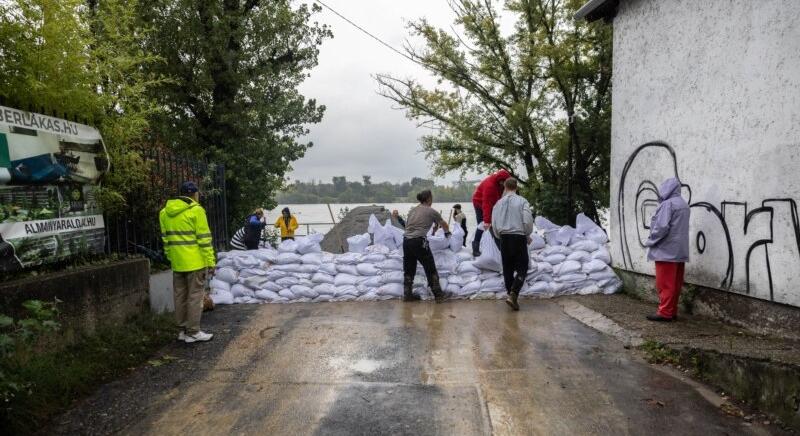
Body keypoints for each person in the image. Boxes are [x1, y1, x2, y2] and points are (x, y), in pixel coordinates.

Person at [159, 181, 215, 343]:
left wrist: (171, 257)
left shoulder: (164, 213)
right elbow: (204, 239)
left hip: (177, 262)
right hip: (195, 263)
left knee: (180, 296)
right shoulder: (197, 211)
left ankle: (182, 331)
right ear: (195, 194)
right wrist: (210, 261)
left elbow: (166, 240)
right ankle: (193, 331)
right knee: (195, 297)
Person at [643, 177, 690, 322]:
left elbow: (661, 227)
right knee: (675, 283)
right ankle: (671, 310)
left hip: (666, 251)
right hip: (679, 250)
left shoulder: (668, 204)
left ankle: (664, 313)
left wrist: (650, 240)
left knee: (665, 283)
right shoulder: (683, 204)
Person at [491, 178, 533, 311]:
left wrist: (499, 235)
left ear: (505, 187)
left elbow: (494, 222)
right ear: (516, 187)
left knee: (507, 267)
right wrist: (526, 234)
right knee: (523, 266)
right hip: (519, 237)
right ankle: (514, 293)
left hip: (504, 237)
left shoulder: (498, 203)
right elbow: (527, 220)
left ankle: (510, 295)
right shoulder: (522, 201)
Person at [402, 190, 450, 303]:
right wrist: (447, 233)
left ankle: (407, 295)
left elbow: (409, 225)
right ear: (428, 198)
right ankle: (438, 295)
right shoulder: (431, 211)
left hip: (406, 241)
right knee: (430, 267)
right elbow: (444, 224)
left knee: (409, 268)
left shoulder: (412, 210)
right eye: (431, 197)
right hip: (419, 241)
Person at [471, 169, 511, 256]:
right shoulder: (490, 186)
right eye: (504, 183)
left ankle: (497, 248)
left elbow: (499, 198)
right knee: (482, 225)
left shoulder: (501, 184)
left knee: (495, 225)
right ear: (501, 181)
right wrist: (487, 221)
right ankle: (475, 248)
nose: (505, 186)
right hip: (479, 202)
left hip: (490, 203)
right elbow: (486, 204)